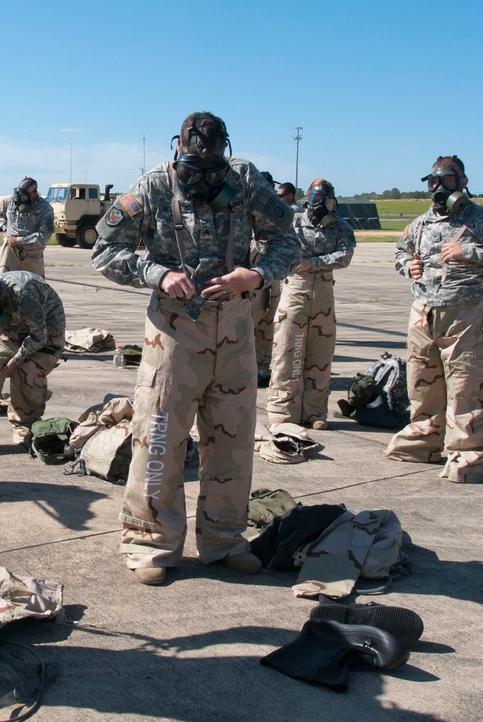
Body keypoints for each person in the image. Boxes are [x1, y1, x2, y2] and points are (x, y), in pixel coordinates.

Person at [90, 112, 299, 586]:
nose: (203, 177)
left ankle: (224, 540)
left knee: (233, 436)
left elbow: (288, 239)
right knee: (160, 435)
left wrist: (259, 275)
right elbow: (105, 250)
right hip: (174, 328)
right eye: (193, 166)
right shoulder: (152, 187)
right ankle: (151, 544)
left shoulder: (243, 180)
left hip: (236, 324)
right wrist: (157, 273)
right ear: (177, 149)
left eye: (212, 167)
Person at [385, 155, 483, 483]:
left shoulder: (481, 220)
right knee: (422, 383)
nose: (440, 187)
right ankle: (423, 441)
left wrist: (470, 252)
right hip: (423, 313)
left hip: (464, 313)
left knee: (466, 384)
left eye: (448, 180)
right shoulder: (421, 223)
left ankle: (468, 453)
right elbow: (400, 251)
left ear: (463, 182)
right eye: (434, 181)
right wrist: (409, 267)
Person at [266, 179, 356, 430]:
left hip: (324, 293)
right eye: (320, 200)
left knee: (321, 354)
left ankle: (315, 411)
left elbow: (344, 255)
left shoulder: (339, 227)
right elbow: (277, 248)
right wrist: (301, 262)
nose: (325, 205)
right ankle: (282, 410)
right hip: (295, 290)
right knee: (288, 351)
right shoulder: (293, 223)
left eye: (329, 200)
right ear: (310, 198)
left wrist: (313, 263)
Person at [0, 269, 65, 451]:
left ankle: (26, 425)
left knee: (27, 369)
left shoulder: (24, 292)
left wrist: (15, 361)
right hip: (12, 331)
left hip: (46, 332)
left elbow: (38, 337)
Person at [252, 171, 284, 387]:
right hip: (251, 279)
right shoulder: (247, 209)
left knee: (267, 325)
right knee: (247, 325)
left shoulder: (276, 214)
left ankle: (262, 369)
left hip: (272, 280)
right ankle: (245, 367)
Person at [0, 177, 54, 277]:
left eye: (23, 197)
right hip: (10, 251)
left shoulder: (45, 209)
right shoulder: (10, 201)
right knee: (3, 281)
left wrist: (18, 240)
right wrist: (5, 229)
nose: (19, 199)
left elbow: (43, 238)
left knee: (33, 287)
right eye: (18, 195)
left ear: (34, 194)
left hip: (32, 255)